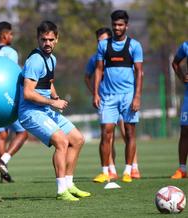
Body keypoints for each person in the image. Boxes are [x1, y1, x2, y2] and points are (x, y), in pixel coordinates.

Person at [18, 20, 91, 201]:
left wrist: (56, 98)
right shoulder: (35, 60)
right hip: (30, 112)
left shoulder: (52, 58)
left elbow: (48, 83)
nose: (47, 43)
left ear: (57, 39)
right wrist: (52, 102)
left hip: (45, 108)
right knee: (62, 141)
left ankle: (69, 184)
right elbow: (27, 93)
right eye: (44, 40)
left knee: (78, 139)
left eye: (51, 39)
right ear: (38, 39)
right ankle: (61, 191)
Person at [93, 10, 143, 183]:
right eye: (115, 24)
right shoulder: (103, 45)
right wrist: (96, 93)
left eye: (121, 24)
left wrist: (137, 97)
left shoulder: (134, 46)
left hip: (128, 96)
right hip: (108, 96)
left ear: (126, 26)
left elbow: (139, 72)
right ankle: (105, 171)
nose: (117, 27)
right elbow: (98, 70)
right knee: (106, 132)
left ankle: (128, 171)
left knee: (129, 133)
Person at [0, 21, 28, 183]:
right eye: (10, 34)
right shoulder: (10, 52)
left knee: (1, 135)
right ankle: (3, 161)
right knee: (22, 133)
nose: (12, 37)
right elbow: (12, 74)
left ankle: (3, 174)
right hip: (8, 98)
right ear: (4, 35)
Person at [171, 41, 188, 179]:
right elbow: (175, 63)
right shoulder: (185, 46)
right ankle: (182, 169)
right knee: (185, 130)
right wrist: (183, 77)